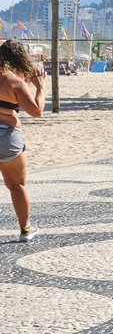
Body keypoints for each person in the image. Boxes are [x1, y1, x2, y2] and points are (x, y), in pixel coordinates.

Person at [0, 40, 45, 242]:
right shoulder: (13, 82)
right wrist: (40, 87)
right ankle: (25, 230)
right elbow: (37, 111)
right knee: (16, 185)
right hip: (8, 136)